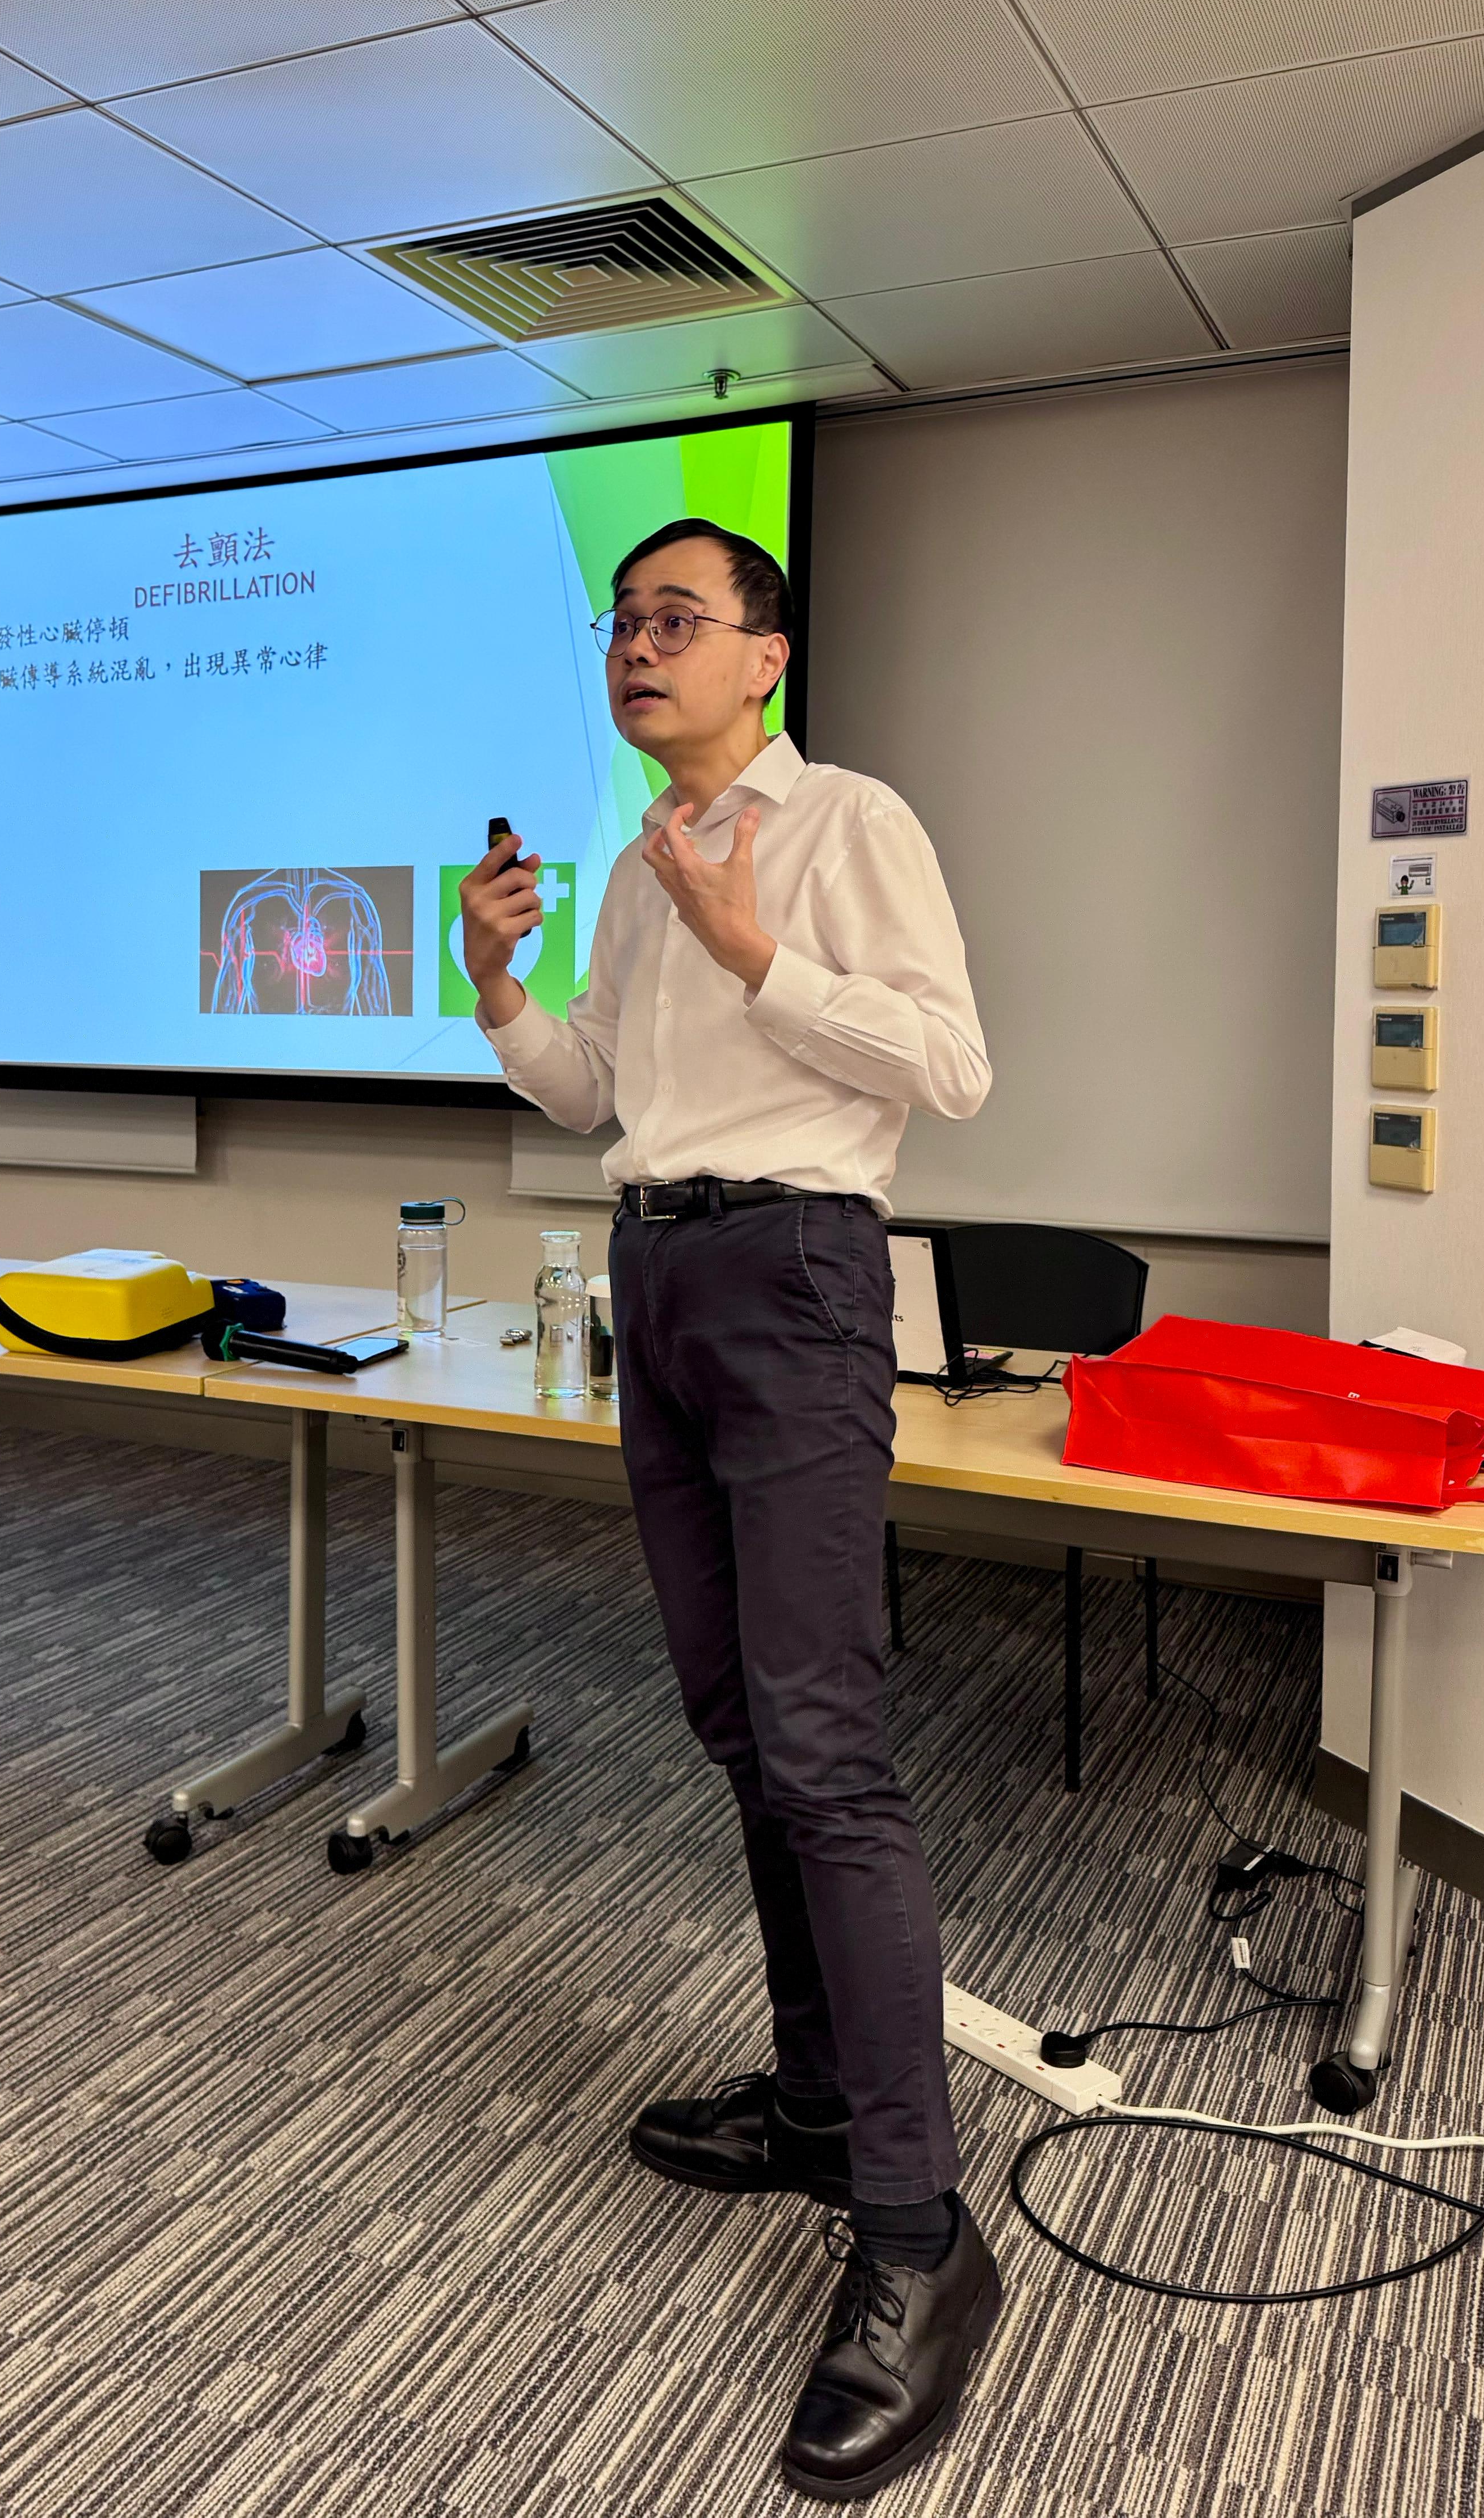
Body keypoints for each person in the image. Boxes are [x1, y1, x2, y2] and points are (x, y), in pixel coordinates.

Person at [458, 518, 997, 2499]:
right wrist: (499, 986)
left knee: (828, 1750)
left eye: (677, 619)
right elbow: (601, 1091)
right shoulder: (633, 866)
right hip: (661, 1276)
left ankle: (921, 2233)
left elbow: (951, 1066)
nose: (639, 646)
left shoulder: (850, 822)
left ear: (767, 655)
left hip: (797, 1274)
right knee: (737, 1725)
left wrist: (760, 947)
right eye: (623, 620)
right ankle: (820, 2103)